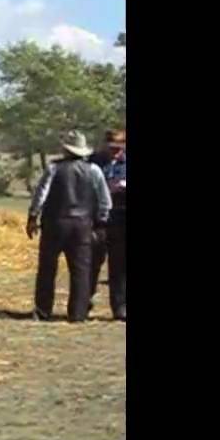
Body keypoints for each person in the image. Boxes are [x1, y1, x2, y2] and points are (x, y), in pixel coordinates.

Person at [26, 130, 112, 322]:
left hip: (54, 223)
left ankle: (43, 310)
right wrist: (100, 222)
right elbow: (105, 201)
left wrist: (32, 216)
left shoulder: (54, 168)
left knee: (47, 268)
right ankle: (78, 314)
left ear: (66, 150)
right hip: (82, 225)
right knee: (81, 270)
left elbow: (41, 195)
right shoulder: (94, 171)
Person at [89, 129, 127, 321]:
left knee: (119, 265)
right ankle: (83, 302)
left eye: (119, 149)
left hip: (121, 217)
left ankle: (120, 307)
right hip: (96, 219)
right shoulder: (92, 161)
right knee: (92, 261)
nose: (116, 153)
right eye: (112, 148)